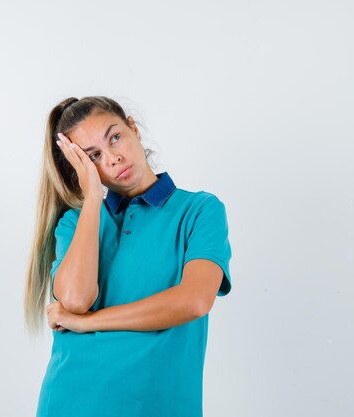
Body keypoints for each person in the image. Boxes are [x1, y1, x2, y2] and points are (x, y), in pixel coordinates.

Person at [23, 96, 232, 417]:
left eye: (115, 137)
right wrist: (92, 196)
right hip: (71, 402)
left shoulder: (199, 210)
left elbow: (193, 302)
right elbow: (75, 300)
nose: (113, 158)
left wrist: (87, 323)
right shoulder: (75, 224)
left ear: (133, 128)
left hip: (160, 405)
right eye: (93, 156)